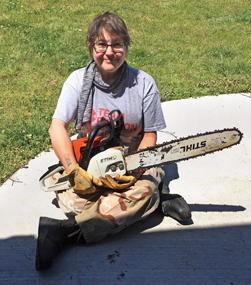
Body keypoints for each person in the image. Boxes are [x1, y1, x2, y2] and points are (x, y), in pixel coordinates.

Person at [35, 12, 191, 271]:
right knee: (73, 203)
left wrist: (137, 166)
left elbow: (150, 134)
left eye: (117, 44)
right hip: (90, 163)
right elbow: (57, 128)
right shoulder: (77, 82)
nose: (109, 51)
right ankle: (150, 203)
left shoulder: (143, 83)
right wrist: (74, 172)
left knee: (136, 191)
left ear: (126, 46)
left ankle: (62, 233)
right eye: (101, 44)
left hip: (132, 164)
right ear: (90, 46)